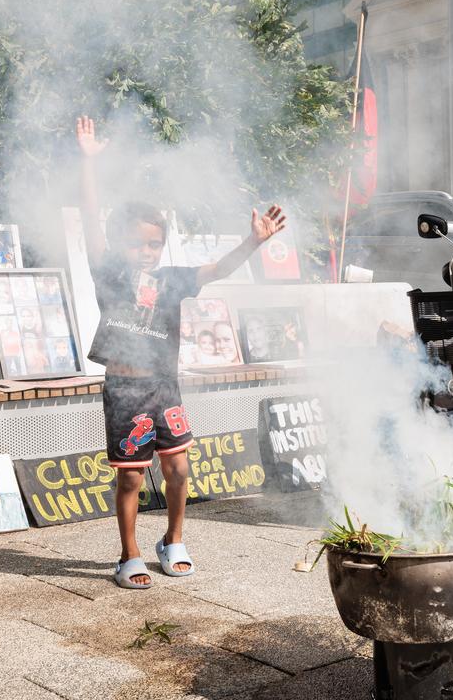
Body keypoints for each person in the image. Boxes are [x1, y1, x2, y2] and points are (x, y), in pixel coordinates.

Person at [76, 115, 286, 589]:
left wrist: (253, 242)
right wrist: (88, 164)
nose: (146, 251)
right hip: (126, 390)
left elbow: (218, 269)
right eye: (136, 242)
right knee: (130, 479)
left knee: (179, 468)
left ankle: (172, 541)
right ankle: (127, 553)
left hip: (165, 388)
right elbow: (91, 220)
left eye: (154, 243)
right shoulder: (107, 273)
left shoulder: (172, 280)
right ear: (117, 243)